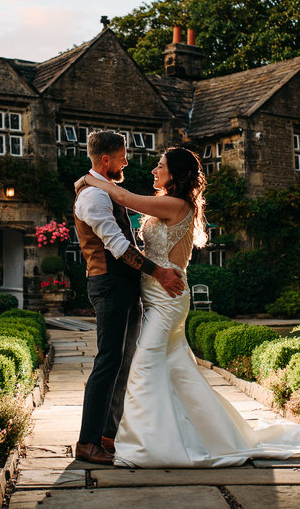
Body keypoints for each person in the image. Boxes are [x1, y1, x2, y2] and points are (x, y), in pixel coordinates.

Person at [78, 146, 300, 467]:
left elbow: (123, 198)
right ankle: (199, 433)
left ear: (174, 174)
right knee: (177, 369)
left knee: (144, 366)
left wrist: (90, 180)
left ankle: (145, 443)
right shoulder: (172, 203)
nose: (153, 171)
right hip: (158, 294)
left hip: (167, 296)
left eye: (159, 166)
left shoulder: (173, 204)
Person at [72, 131, 186, 466]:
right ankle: (87, 442)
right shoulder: (91, 196)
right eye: (122, 155)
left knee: (123, 361)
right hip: (108, 284)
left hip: (122, 285)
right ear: (105, 159)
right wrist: (159, 272)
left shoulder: (103, 190)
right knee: (107, 361)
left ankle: (109, 435)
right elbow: (118, 247)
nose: (126, 161)